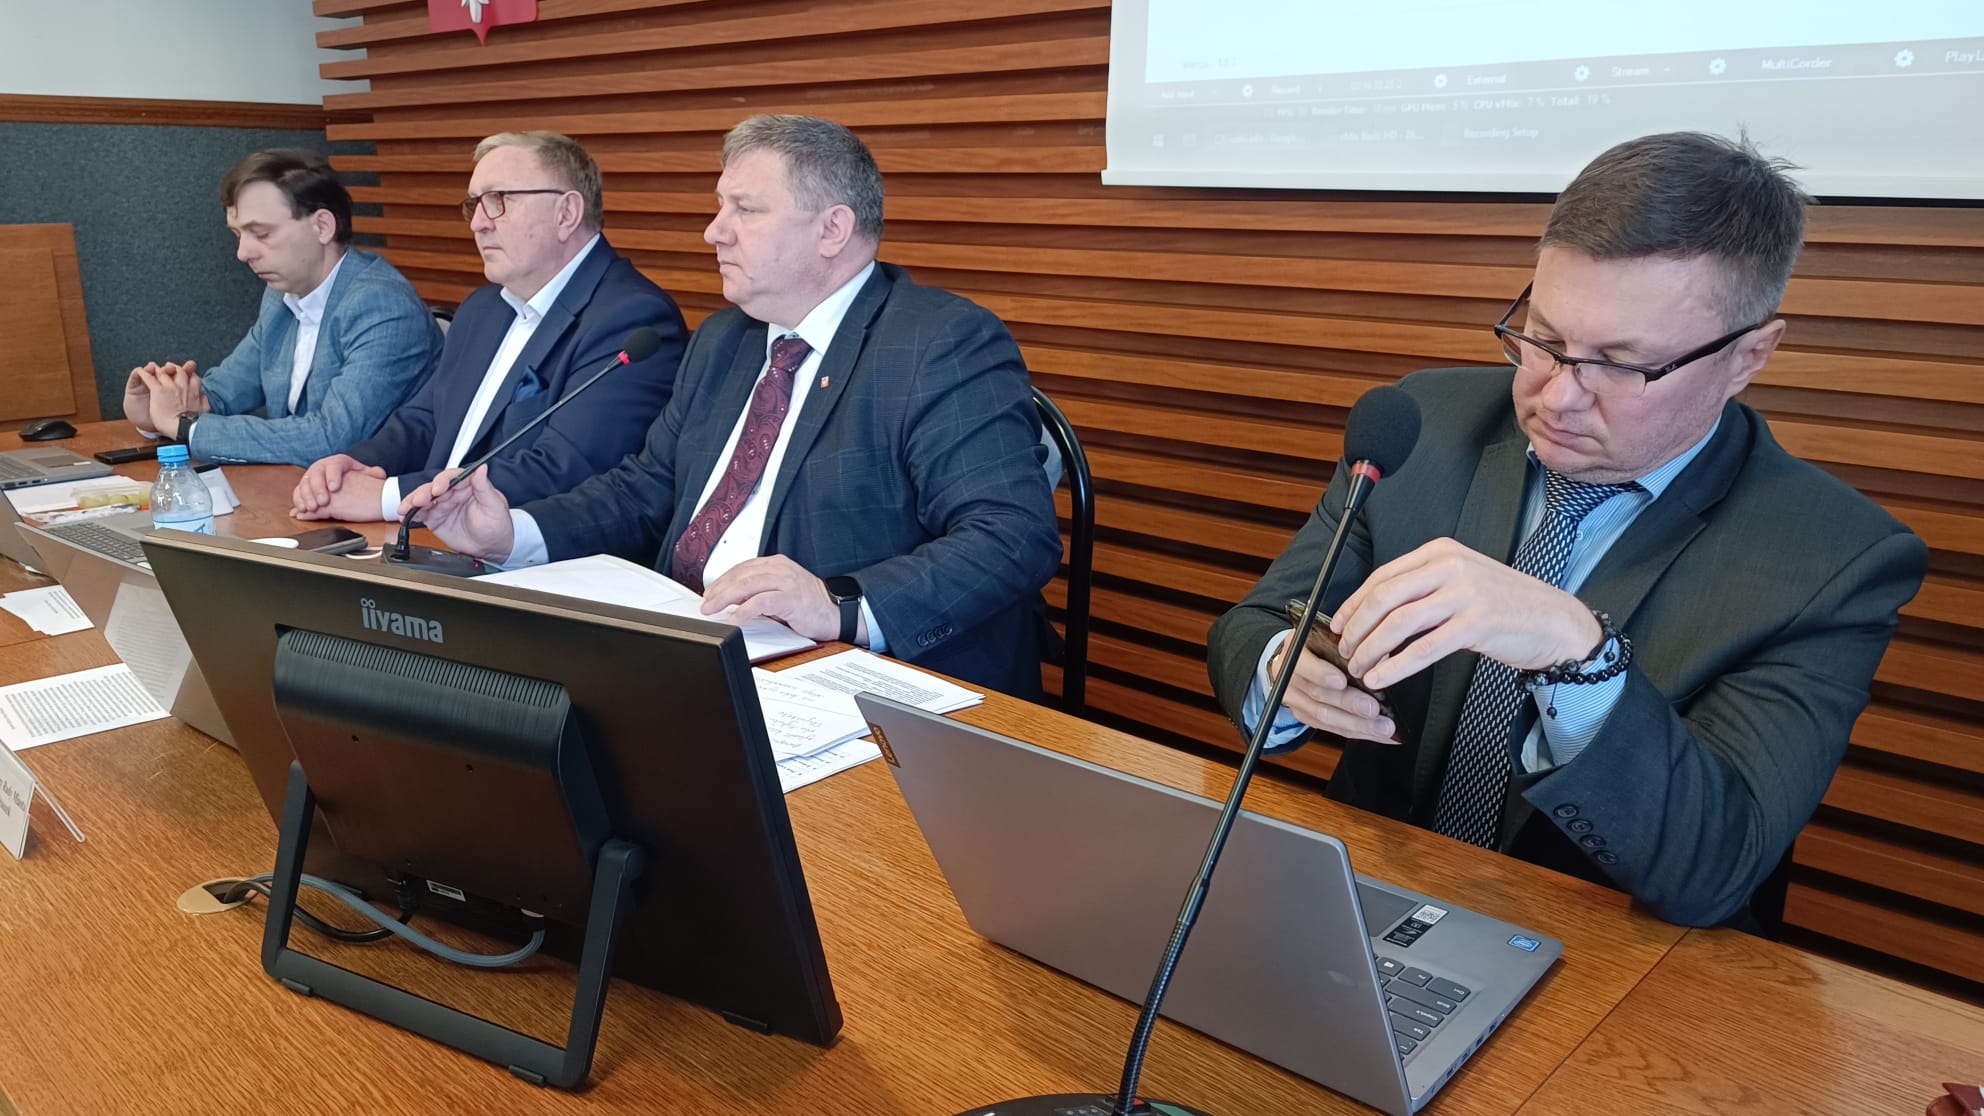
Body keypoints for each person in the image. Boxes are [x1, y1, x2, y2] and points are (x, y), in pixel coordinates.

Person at [1207, 132, 1928, 928]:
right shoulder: (1423, 424)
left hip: (1607, 956)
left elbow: (1714, 865)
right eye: (1544, 340)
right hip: (1365, 900)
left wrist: (1580, 655)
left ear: (1748, 356)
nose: (1557, 397)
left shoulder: (1833, 559)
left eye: (1619, 364)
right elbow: (1255, 625)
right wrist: (1283, 673)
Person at [402, 114, 1061, 697]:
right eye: (720, 207)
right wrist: (512, 534)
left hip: (848, 675)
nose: (714, 232)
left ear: (832, 229)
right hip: (689, 651)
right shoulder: (728, 339)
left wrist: (840, 604)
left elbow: (1012, 534)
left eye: (745, 209)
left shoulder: (940, 342)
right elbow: (645, 488)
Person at [291, 131, 686, 521]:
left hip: (520, 550)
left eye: (498, 200)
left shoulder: (632, 318)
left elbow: (564, 468)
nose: (478, 223)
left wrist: (388, 496)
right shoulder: (482, 308)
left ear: (566, 213)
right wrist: (357, 466)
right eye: (474, 204)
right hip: (425, 534)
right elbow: (425, 419)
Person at [124, 149, 442, 466]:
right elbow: (220, 395)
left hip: (379, 491)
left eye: (261, 233)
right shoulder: (281, 296)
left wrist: (184, 425)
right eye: (237, 234)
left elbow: (331, 439)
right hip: (295, 485)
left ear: (322, 226)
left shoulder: (383, 307)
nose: (242, 253)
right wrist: (156, 408)